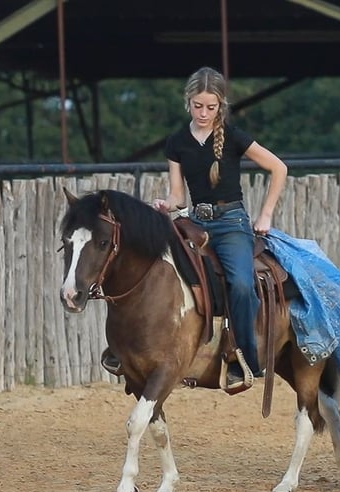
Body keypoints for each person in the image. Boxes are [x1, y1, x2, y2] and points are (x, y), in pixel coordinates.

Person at [102, 66, 287, 390]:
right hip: (193, 223)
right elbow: (177, 195)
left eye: (211, 107)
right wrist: (165, 204)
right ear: (188, 102)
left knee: (241, 286)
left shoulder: (233, 137)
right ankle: (128, 347)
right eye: (198, 105)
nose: (204, 113)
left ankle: (244, 358)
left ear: (220, 106)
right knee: (149, 266)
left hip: (231, 224)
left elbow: (278, 167)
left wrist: (266, 215)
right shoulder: (176, 143)